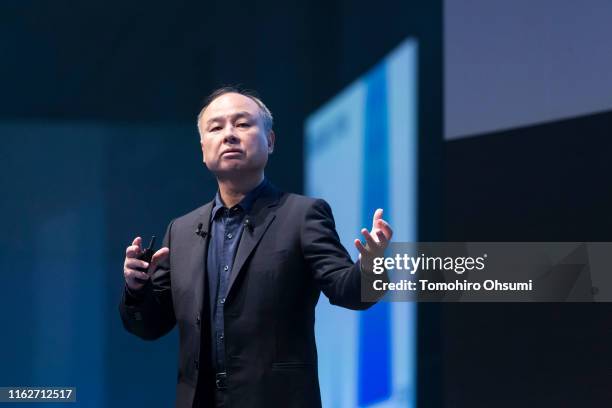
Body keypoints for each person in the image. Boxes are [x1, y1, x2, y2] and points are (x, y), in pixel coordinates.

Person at [119, 87, 393, 408]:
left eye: (243, 124)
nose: (229, 135)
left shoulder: (302, 215)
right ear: (203, 149)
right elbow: (148, 326)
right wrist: (136, 289)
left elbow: (351, 293)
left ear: (271, 141)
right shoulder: (180, 231)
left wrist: (371, 263)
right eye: (216, 127)